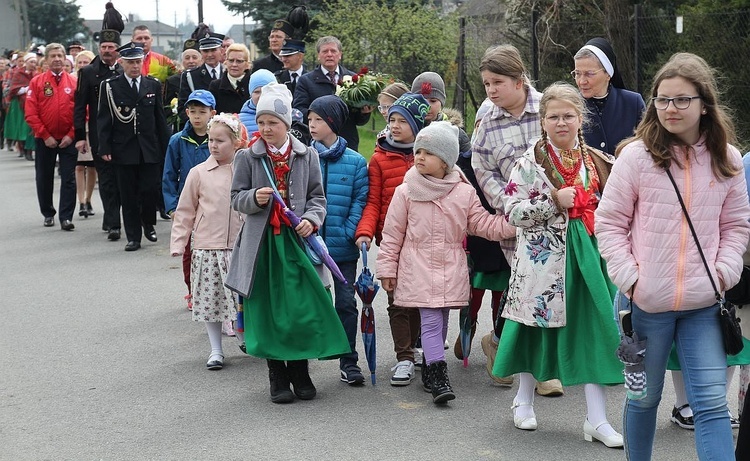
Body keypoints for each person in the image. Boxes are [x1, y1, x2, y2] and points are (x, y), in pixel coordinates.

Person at [596, 52, 750, 460]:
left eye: (682, 100)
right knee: (644, 401)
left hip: (704, 306)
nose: (671, 109)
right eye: (662, 100)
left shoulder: (727, 159)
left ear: (704, 104)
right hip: (643, 307)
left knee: (713, 407)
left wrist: (723, 273)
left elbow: (736, 226)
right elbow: (608, 223)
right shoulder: (635, 157)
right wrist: (631, 279)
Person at [493, 82, 623, 447]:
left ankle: (596, 419)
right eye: (554, 117)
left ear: (581, 118)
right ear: (543, 121)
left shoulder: (599, 161)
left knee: (596, 328)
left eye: (568, 115)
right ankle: (523, 398)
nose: (561, 122)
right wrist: (553, 200)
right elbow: (513, 212)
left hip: (590, 262)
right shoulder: (528, 164)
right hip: (543, 263)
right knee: (533, 329)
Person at [225, 83, 350, 403]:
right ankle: (276, 374)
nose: (266, 128)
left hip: (296, 245)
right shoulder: (247, 158)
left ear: (286, 125)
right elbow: (236, 198)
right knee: (267, 310)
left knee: (300, 308)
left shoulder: (306, 155)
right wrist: (254, 197)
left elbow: (317, 198)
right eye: (262, 121)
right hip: (262, 246)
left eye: (273, 123)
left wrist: (311, 219)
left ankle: (300, 369)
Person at [377, 121, 515, 404]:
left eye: (429, 152)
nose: (420, 157)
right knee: (429, 319)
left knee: (439, 321)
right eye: (419, 151)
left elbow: (481, 223)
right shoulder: (406, 191)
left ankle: (430, 365)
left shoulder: (463, 192)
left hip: (450, 266)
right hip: (417, 266)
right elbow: (392, 234)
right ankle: (439, 376)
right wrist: (387, 269)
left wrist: (514, 224)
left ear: (446, 160)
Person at [471, 44, 563, 397]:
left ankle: (500, 343)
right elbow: (483, 168)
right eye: (486, 84)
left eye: (497, 82)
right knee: (528, 289)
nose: (491, 90)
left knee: (552, 290)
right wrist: (508, 206)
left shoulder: (547, 110)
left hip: (558, 219)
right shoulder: (488, 123)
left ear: (519, 79)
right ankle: (540, 371)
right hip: (518, 223)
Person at [355, 93, 429, 386]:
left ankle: (419, 345)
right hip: (392, 242)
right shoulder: (379, 159)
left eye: (402, 121)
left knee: (422, 300)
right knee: (397, 300)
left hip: (425, 243)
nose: (395, 125)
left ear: (417, 124)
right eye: (392, 119)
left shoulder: (429, 155)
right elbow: (373, 201)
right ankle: (404, 358)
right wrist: (364, 231)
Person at [170, 112, 244, 371]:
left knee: (242, 300)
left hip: (238, 247)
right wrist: (179, 243)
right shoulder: (198, 173)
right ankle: (216, 349)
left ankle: (246, 338)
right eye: (211, 140)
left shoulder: (245, 171)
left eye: (220, 141)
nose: (213, 145)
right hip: (207, 247)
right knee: (211, 302)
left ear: (236, 142)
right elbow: (186, 210)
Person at [307, 94, 369, 385]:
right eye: (309, 120)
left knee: (345, 302)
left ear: (333, 122)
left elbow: (360, 200)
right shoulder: (304, 157)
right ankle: (302, 358)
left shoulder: (356, 162)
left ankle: (349, 361)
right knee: (309, 303)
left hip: (343, 248)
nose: (312, 125)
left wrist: (347, 231)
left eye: (318, 119)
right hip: (309, 244)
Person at [97, 42, 169, 251]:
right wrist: (105, 148)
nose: (135, 66)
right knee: (127, 194)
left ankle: (148, 223)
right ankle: (133, 237)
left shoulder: (152, 85)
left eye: (138, 62)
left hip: (149, 148)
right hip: (123, 148)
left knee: (149, 191)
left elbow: (160, 119)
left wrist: (166, 147)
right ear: (122, 63)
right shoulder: (110, 86)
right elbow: (104, 119)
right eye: (130, 63)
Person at [163, 89, 215, 310]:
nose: (197, 116)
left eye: (202, 111)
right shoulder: (178, 140)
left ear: (212, 113)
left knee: (213, 251)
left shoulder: (218, 138)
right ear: (186, 112)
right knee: (189, 251)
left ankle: (214, 291)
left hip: (213, 205)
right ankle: (192, 290)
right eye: (192, 111)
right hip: (188, 205)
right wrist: (172, 207)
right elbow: (168, 174)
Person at [73, 27, 123, 241]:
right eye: (103, 47)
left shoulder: (124, 70)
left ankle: (114, 217)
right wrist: (79, 137)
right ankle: (113, 223)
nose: (107, 51)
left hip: (124, 135)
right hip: (99, 135)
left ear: (118, 49)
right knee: (107, 179)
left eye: (111, 47)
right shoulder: (88, 72)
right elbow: (79, 106)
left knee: (123, 178)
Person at [24, 43, 77, 231]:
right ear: (46, 60)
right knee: (44, 177)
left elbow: (82, 111)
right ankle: (48, 213)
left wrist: (71, 135)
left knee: (69, 178)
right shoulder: (37, 83)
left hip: (68, 140)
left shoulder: (73, 82)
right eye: (53, 56)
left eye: (60, 56)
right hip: (44, 139)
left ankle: (66, 217)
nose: (56, 59)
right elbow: (31, 113)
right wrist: (45, 135)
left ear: (65, 59)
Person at [293, 36, 372, 151]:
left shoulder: (354, 79)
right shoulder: (306, 81)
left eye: (333, 51)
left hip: (348, 143)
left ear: (340, 54)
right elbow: (300, 110)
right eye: (325, 51)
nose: (329, 54)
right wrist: (323, 118)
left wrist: (364, 112)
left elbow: (358, 120)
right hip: (317, 144)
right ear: (318, 55)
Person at [572, 38, 645, 155]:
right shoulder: (571, 105)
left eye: (589, 74)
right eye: (577, 73)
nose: (581, 81)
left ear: (608, 74)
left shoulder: (633, 103)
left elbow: (645, 146)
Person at [72, 50, 98, 218]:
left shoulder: (94, 78)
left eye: (86, 62)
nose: (83, 65)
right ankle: (80, 200)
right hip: (79, 127)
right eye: (80, 62)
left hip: (93, 126)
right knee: (79, 166)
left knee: (92, 165)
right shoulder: (72, 79)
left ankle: (88, 198)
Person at [177, 32, 224, 122]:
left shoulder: (228, 72)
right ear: (201, 52)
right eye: (206, 51)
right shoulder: (190, 76)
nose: (209, 55)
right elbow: (183, 108)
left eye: (213, 50)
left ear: (221, 51)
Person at [164, 39, 202, 133]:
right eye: (187, 58)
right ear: (182, 61)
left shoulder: (205, 78)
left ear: (201, 60)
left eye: (194, 57)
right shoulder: (173, 80)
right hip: (182, 126)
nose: (191, 61)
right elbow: (166, 107)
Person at [6, 52, 36, 161]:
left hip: (32, 104)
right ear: (26, 63)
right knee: (22, 128)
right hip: (20, 104)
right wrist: (26, 89)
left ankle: (29, 150)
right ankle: (22, 148)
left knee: (30, 128)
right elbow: (13, 89)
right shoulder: (18, 74)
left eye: (35, 62)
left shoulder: (36, 74)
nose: (33, 64)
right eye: (31, 62)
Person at [208, 43, 251, 114]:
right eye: (231, 60)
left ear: (247, 64)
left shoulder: (253, 85)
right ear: (226, 62)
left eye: (239, 61)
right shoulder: (215, 86)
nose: (234, 65)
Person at [238, 69, 276, 134]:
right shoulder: (237, 121)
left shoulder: (287, 116)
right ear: (250, 94)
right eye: (257, 92)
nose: (261, 95)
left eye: (266, 91)